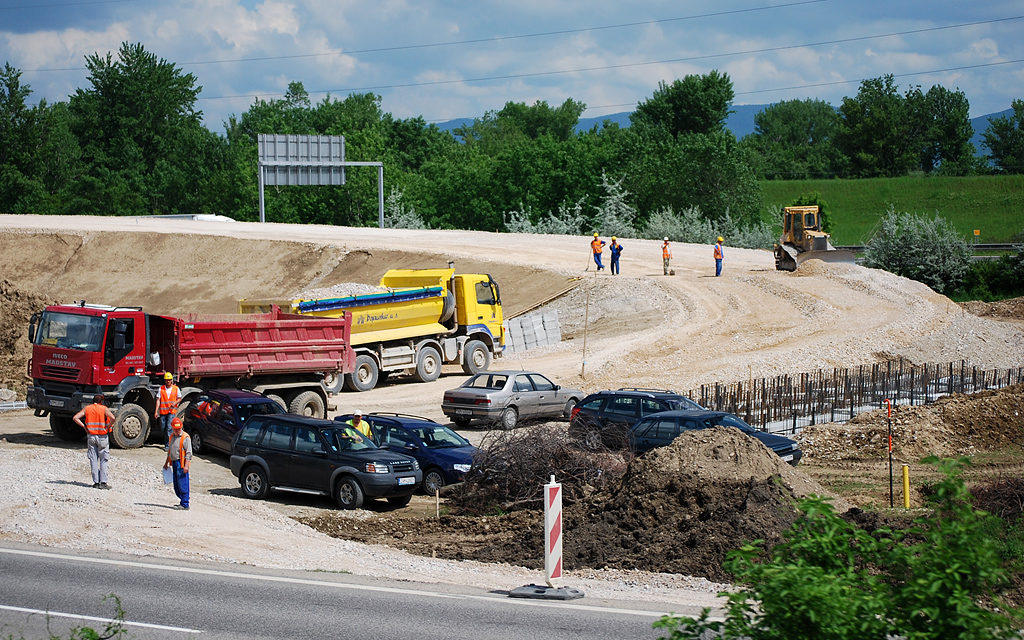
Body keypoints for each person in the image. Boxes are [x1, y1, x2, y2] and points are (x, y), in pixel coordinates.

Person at [73, 394, 115, 489]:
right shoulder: (104, 409)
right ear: (101, 401)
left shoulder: (87, 408)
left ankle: (96, 482)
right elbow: (113, 418)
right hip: (102, 436)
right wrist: (108, 427)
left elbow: (75, 417)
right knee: (104, 459)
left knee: (93, 459)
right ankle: (103, 482)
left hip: (91, 436)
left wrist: (84, 427)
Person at [163, 417, 192, 510]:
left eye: (179, 429)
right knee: (176, 485)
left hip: (181, 464)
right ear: (172, 428)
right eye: (176, 429)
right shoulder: (172, 436)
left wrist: (186, 465)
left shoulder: (185, 437)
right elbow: (170, 451)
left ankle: (185, 503)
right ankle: (182, 501)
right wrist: (166, 463)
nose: (177, 431)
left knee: (183, 483)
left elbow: (189, 453)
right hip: (174, 462)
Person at [157, 372, 181, 449]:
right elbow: (158, 400)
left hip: (171, 411)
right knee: (163, 427)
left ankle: (168, 445)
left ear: (171, 380)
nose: (168, 381)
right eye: (167, 380)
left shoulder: (176, 389)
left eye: (169, 380)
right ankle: (169, 441)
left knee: (169, 428)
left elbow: (179, 398)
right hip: (163, 412)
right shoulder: (161, 389)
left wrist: (175, 403)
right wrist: (155, 411)